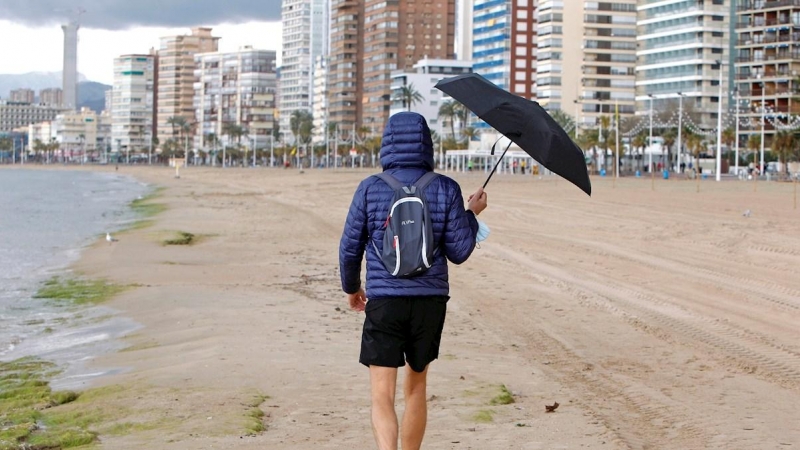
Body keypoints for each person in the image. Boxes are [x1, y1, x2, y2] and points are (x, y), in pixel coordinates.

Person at [339, 112, 488, 450]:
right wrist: (472, 213)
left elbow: (349, 248)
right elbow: (460, 251)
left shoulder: (370, 188)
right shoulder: (445, 187)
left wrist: (352, 288)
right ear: (426, 143)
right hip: (430, 301)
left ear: (387, 143)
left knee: (381, 393)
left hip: (385, 300)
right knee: (417, 387)